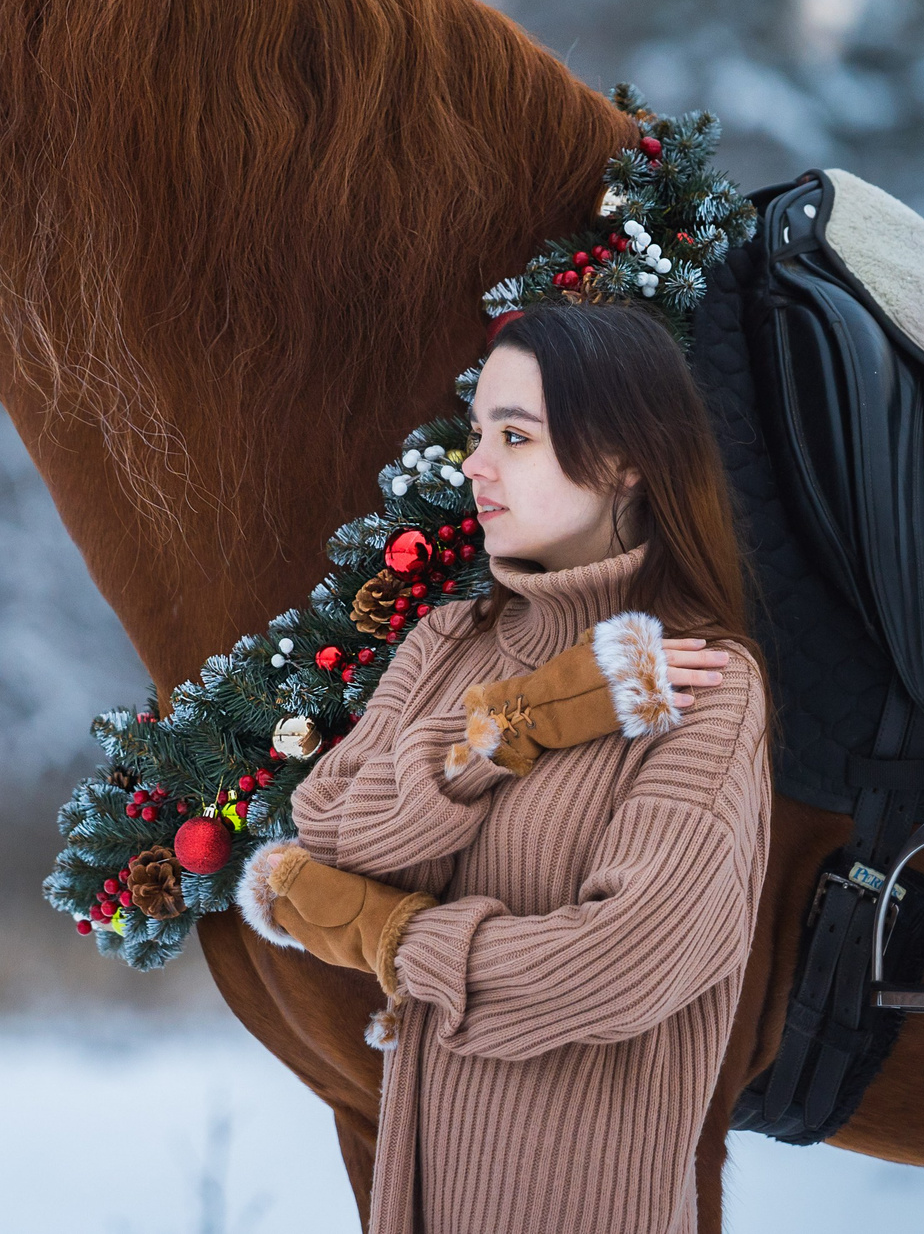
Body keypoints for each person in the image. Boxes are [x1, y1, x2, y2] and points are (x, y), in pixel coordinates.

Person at [240, 302, 770, 1234]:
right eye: (479, 433)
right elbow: (328, 829)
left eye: (514, 436)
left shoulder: (701, 683)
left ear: (623, 461)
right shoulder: (453, 640)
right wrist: (518, 721)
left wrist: (395, 937)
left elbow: (620, 963)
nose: (475, 465)